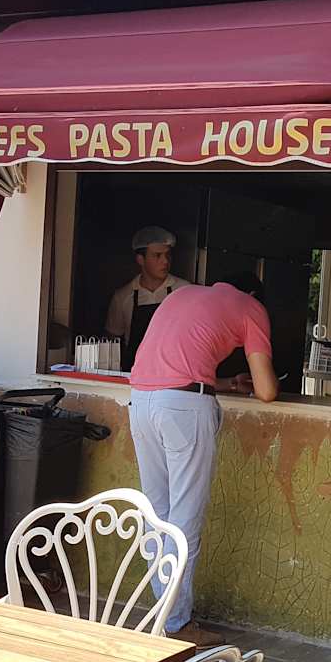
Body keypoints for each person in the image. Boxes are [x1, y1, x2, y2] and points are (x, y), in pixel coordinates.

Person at [128, 272, 279, 640]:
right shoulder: (251, 307)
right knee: (185, 518)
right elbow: (267, 391)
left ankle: (162, 615)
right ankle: (177, 625)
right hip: (183, 409)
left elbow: (177, 366)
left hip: (140, 401)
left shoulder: (180, 295)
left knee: (156, 513)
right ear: (252, 293)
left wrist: (225, 383)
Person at [104, 226, 193, 369]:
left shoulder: (184, 291)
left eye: (168, 255)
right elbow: (112, 341)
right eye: (157, 255)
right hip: (134, 374)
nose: (165, 261)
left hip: (173, 373)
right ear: (140, 259)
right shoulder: (123, 297)